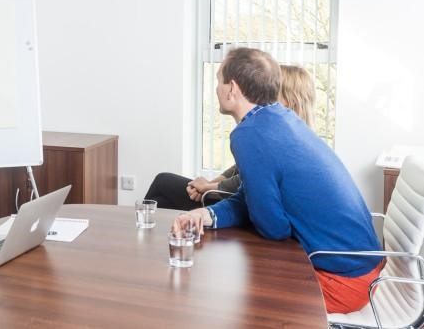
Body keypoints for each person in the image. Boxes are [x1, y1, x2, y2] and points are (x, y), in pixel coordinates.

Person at [171, 47, 383, 314]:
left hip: (344, 281)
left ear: (232, 89)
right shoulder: (279, 119)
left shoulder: (250, 135)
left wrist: (265, 212)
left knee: (227, 294)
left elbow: (274, 229)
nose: (216, 89)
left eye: (218, 81)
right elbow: (251, 200)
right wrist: (206, 214)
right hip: (364, 267)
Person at [146, 64, 316, 210]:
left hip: (244, 208)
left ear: (288, 99)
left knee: (163, 182)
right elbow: (241, 168)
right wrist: (208, 185)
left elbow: (250, 178)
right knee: (161, 202)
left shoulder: (285, 138)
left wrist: (208, 187)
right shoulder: (292, 133)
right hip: (237, 198)